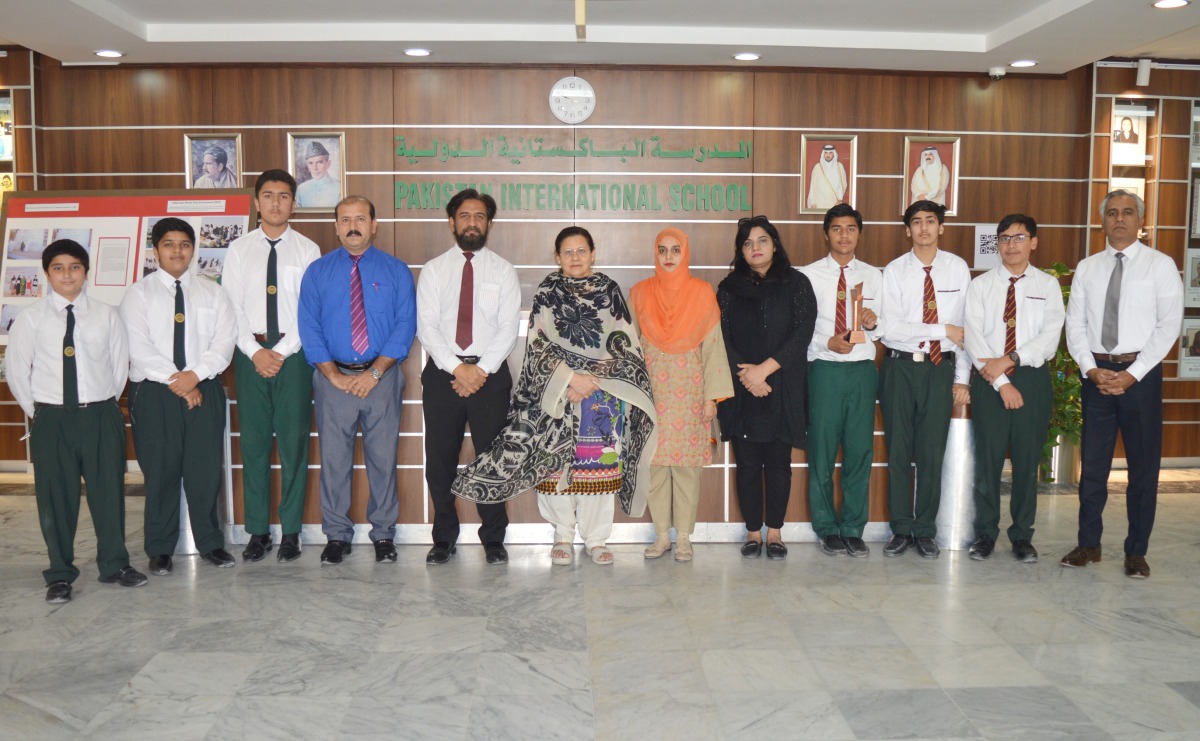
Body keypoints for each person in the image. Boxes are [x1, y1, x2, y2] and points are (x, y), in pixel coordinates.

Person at [452, 226, 657, 566]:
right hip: (555, 394)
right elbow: (538, 343)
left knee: (599, 468)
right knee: (555, 467)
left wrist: (591, 380)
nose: (575, 258)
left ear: (593, 254)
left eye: (581, 251)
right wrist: (569, 379)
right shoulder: (548, 291)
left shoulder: (608, 290)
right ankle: (562, 534)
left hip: (600, 395)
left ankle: (595, 539)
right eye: (568, 252)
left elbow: (624, 342)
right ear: (557, 257)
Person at [7, 239, 145, 603]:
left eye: (74, 267)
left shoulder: (105, 315)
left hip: (99, 415)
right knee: (55, 499)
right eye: (58, 268)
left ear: (86, 272)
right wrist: (41, 413)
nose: (67, 274)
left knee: (108, 494)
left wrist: (98, 404)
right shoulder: (31, 319)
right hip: (51, 418)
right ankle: (59, 573)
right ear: (48, 274)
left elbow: (119, 369)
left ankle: (115, 564)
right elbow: (18, 372)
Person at [1062, 190, 1183, 578]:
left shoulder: (1160, 266)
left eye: (1127, 212)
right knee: (1093, 467)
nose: (1119, 219)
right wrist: (1090, 369)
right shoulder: (1088, 268)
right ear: (1103, 221)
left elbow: (1169, 326)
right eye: (1112, 213)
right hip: (1096, 375)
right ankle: (1088, 544)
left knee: (1143, 469)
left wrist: (1133, 373)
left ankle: (1136, 551)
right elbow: (1075, 326)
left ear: (1140, 220)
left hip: (1141, 377)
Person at [298, 196, 416, 565]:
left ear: (374, 224)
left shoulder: (396, 271)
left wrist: (375, 373)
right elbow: (309, 326)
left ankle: (383, 535)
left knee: (383, 460)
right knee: (334, 461)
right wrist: (331, 374)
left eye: (360, 218)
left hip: (382, 379)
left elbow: (405, 325)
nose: (353, 226)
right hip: (333, 381)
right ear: (336, 227)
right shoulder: (317, 272)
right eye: (345, 219)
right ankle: (336, 536)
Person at [121, 217, 238, 575]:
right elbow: (138, 347)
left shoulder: (213, 292)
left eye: (184, 244)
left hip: (205, 388)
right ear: (155, 251)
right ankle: (160, 548)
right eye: (168, 244)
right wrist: (179, 382)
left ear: (193, 249)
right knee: (160, 472)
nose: (177, 251)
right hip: (155, 393)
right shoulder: (138, 294)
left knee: (204, 471)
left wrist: (194, 378)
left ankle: (210, 544)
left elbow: (223, 344)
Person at [417, 188, 520, 566]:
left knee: (492, 460)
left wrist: (480, 370)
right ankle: (443, 537)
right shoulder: (433, 270)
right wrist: (458, 368)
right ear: (452, 222)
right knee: (440, 459)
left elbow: (509, 327)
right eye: (464, 216)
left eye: (479, 216)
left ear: (489, 224)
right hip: (444, 374)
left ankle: (493, 538)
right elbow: (426, 326)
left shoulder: (503, 270)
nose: (472, 222)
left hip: (490, 377)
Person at [222, 169, 320, 563]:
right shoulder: (239, 249)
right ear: (257, 202)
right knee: (255, 446)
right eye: (268, 195)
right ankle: (258, 531)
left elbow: (308, 310)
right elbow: (231, 307)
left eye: (284, 196)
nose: (276, 202)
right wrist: (254, 350)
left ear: (293, 203)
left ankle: (291, 532)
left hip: (293, 358)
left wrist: (280, 351)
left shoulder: (308, 250)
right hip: (250, 357)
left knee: (294, 445)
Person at [964, 214, 1065, 563]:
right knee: (987, 463)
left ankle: (1022, 535)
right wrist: (1002, 381)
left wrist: (1010, 359)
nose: (1011, 245)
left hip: (1032, 379)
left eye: (1019, 237)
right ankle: (986, 534)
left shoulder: (1048, 286)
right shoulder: (981, 286)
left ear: (1033, 242)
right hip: (990, 381)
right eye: (1004, 238)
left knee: (1026, 462)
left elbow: (1049, 339)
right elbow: (974, 338)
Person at [630, 227, 732, 562]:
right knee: (656, 467)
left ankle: (684, 537)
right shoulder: (640, 293)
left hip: (690, 392)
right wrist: (631, 395)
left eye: (676, 250)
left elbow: (713, 347)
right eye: (663, 250)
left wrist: (710, 398)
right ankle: (661, 536)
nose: (670, 257)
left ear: (685, 253)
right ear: (655, 254)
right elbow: (629, 347)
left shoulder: (702, 293)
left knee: (687, 469)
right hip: (653, 392)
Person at [717, 215, 816, 560]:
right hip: (742, 389)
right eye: (747, 243)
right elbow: (722, 338)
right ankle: (752, 532)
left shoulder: (796, 283)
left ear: (774, 244)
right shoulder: (728, 289)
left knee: (778, 463)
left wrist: (765, 370)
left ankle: (774, 532)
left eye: (761, 240)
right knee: (746, 465)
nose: (755, 248)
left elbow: (802, 334)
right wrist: (749, 377)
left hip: (783, 386)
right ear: (741, 251)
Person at [879, 200, 971, 559]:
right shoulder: (895, 271)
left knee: (932, 452)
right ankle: (901, 528)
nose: (923, 228)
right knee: (899, 451)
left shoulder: (957, 269)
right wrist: (941, 328)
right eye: (916, 222)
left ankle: (926, 530)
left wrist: (962, 378)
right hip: (899, 368)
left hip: (940, 369)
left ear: (941, 227)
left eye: (930, 221)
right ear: (907, 230)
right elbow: (891, 329)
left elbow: (965, 330)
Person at [800, 205, 882, 558]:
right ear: (826, 233)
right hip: (824, 370)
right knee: (821, 450)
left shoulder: (875, 276)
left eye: (850, 229)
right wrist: (825, 343)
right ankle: (825, 527)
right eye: (837, 229)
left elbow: (887, 326)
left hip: (863, 372)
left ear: (859, 233)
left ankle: (852, 527)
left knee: (860, 452)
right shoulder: (808, 276)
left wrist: (874, 321)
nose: (844, 235)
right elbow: (799, 330)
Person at [295, 141, 341, 209]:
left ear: (328, 164)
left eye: (319, 162)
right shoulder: (301, 189)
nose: (315, 168)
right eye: (311, 163)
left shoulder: (339, 187)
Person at [806, 144, 848, 211]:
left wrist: (839, 200)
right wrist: (813, 202)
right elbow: (812, 186)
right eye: (826, 153)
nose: (828, 155)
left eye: (830, 153)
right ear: (823, 154)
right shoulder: (817, 167)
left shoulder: (839, 167)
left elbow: (843, 184)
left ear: (834, 154)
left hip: (835, 203)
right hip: (819, 203)